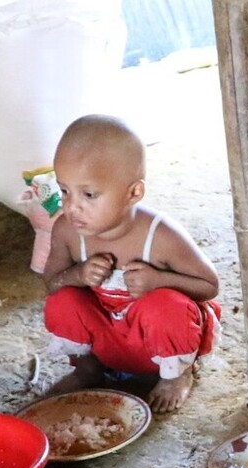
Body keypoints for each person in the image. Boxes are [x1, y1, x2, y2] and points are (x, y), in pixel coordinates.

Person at [39, 114, 222, 412]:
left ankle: (177, 376)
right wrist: (78, 274)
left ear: (133, 192)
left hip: (159, 345)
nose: (72, 207)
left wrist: (159, 281)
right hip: (109, 342)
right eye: (64, 190)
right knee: (63, 301)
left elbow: (209, 286)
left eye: (89, 194)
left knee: (164, 305)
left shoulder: (161, 235)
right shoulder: (67, 231)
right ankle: (87, 370)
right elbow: (51, 283)